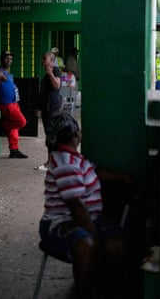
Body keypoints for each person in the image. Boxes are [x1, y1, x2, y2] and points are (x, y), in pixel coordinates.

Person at [39, 112, 130, 299]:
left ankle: (103, 292)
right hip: (60, 223)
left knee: (116, 245)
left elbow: (97, 172)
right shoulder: (65, 163)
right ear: (75, 135)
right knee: (87, 246)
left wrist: (121, 177)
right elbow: (75, 204)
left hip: (87, 219)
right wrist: (93, 233)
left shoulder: (75, 158)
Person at [0, 50, 28, 159]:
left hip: (13, 102)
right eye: (7, 58)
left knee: (14, 128)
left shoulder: (8, 74)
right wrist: (2, 97)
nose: (9, 60)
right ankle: (2, 125)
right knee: (22, 122)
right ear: (2, 59)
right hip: (6, 104)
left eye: (11, 59)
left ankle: (14, 150)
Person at [34, 51, 63, 171]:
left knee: (52, 136)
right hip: (47, 108)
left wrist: (50, 73)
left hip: (53, 108)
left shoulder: (55, 70)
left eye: (44, 59)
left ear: (51, 61)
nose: (42, 61)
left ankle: (50, 163)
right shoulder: (46, 75)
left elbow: (57, 85)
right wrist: (39, 107)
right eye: (42, 59)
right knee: (50, 135)